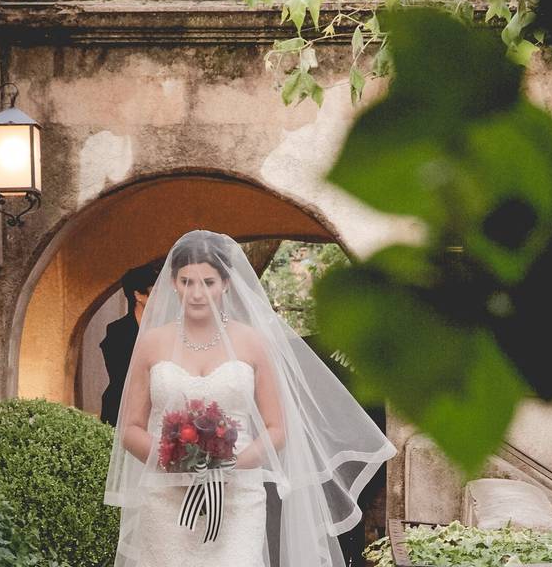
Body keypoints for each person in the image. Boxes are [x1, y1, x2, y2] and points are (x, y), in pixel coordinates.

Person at [104, 230, 395, 567]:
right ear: (173, 282)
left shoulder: (253, 342)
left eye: (208, 283)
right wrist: (173, 456)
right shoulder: (152, 343)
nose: (197, 294)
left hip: (238, 496)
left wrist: (230, 461)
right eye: (187, 282)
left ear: (225, 283)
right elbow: (131, 428)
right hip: (166, 497)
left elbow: (276, 428)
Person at [100, 264, 159, 426]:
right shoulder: (116, 331)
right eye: (155, 291)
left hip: (157, 408)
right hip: (122, 407)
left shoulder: (165, 329)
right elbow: (119, 374)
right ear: (138, 295)